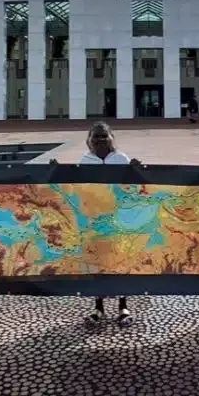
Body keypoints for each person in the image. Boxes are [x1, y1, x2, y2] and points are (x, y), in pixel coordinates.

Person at [70, 121, 142, 326]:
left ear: (112, 138)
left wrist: (136, 171)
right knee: (98, 263)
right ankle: (98, 307)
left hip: (118, 220)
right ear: (88, 140)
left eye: (104, 136)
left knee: (120, 262)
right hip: (95, 221)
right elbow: (75, 190)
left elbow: (133, 189)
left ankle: (123, 306)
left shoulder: (122, 159)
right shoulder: (84, 162)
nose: (100, 140)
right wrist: (55, 173)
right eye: (96, 136)